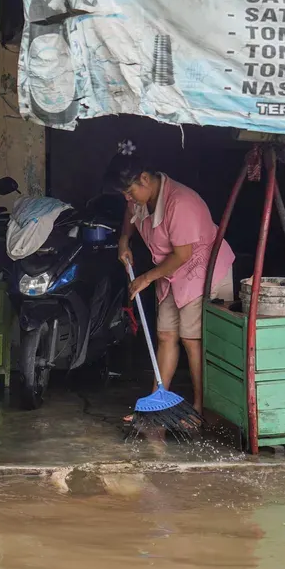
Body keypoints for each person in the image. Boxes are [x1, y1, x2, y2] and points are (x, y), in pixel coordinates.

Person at [106, 141, 235, 414]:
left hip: (201, 269)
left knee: (192, 338)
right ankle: (157, 401)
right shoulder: (140, 199)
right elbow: (130, 215)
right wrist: (124, 239)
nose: (128, 199)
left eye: (129, 192)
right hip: (169, 272)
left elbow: (182, 255)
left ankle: (201, 408)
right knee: (165, 335)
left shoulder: (180, 202)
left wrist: (145, 278)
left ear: (144, 178)